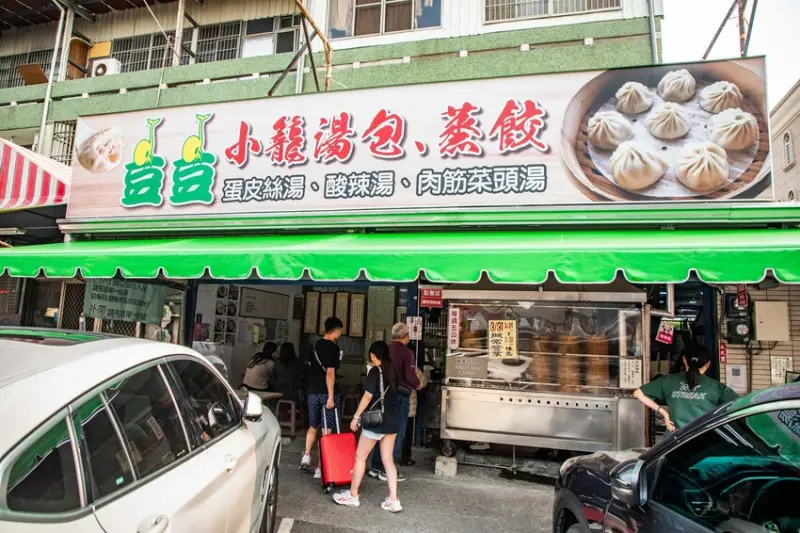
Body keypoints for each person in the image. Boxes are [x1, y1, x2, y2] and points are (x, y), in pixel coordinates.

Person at [333, 341, 403, 513]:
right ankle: (394, 500)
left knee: (360, 457)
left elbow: (367, 396)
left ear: (372, 355)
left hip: (376, 422)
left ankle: (353, 495)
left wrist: (356, 417)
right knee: (388, 460)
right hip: (392, 421)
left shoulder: (374, 371)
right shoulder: (393, 371)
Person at [634, 344, 739, 431]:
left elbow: (638, 393)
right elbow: (739, 406)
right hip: (705, 438)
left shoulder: (668, 380)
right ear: (708, 364)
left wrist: (663, 412)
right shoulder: (716, 387)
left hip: (674, 440)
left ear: (684, 360)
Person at [368, 322, 420, 481]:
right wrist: (418, 385)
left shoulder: (385, 350)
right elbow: (410, 376)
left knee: (381, 431)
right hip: (400, 396)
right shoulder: (407, 352)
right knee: (397, 432)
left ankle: (375, 466)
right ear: (405, 336)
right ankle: (388, 470)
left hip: (384, 395)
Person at [301, 317, 343, 477]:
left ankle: (306, 456)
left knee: (313, 425)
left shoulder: (315, 345)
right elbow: (330, 374)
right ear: (336, 330)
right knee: (326, 431)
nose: (340, 334)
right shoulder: (334, 349)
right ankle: (320, 467)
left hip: (313, 392)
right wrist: (331, 397)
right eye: (340, 331)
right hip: (327, 394)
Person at [400, 366, 428, 466]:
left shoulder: (390, 364)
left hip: (393, 405)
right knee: (406, 433)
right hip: (408, 405)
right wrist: (416, 385)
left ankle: (388, 460)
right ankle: (405, 458)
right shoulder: (411, 367)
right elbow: (423, 382)